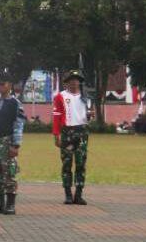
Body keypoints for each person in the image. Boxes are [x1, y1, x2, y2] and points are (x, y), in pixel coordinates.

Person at [0, 75, 24, 215]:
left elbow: (19, 124)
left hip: (7, 142)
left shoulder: (15, 103)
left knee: (9, 173)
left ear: (9, 85)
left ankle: (10, 204)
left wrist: (16, 145)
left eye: (2, 84)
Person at [53, 69, 92, 205]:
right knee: (66, 164)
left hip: (82, 132)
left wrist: (90, 115)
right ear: (67, 82)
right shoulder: (60, 97)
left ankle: (79, 194)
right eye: (71, 80)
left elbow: (88, 115)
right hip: (67, 132)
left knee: (81, 164)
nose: (74, 83)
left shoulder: (85, 97)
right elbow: (56, 117)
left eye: (77, 80)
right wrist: (56, 135)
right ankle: (68, 194)